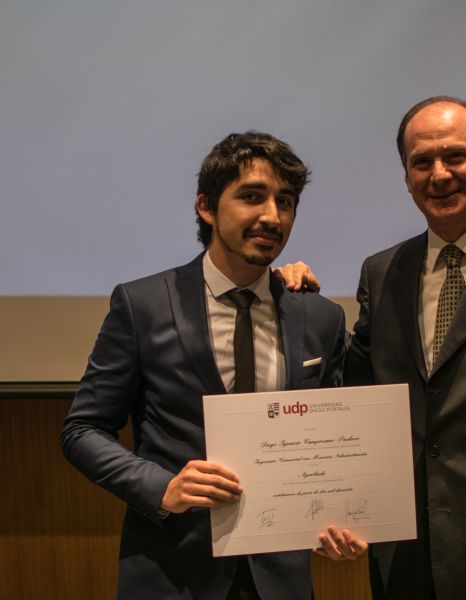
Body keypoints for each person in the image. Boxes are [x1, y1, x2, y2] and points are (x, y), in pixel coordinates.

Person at [61, 131, 366, 600]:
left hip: (281, 580)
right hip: (171, 575)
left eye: (285, 201)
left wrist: (337, 517)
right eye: (251, 196)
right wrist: (162, 488)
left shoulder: (320, 317)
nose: (272, 216)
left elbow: (329, 443)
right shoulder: (143, 305)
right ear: (206, 206)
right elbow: (82, 430)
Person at [281, 95, 466, 600]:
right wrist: (293, 305)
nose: (440, 174)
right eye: (422, 162)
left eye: (455, 156)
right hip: (407, 551)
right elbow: (354, 385)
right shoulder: (382, 272)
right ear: (406, 178)